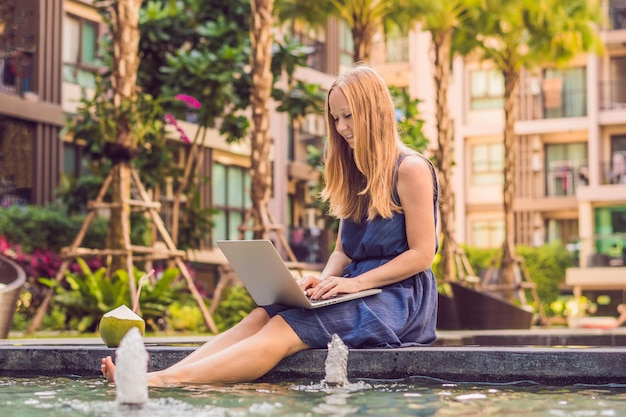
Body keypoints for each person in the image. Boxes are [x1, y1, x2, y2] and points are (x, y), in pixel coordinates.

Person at [101, 64, 440, 386]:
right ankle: (165, 373)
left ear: (374, 111)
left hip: (400, 298)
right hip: (356, 288)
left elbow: (423, 254)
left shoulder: (410, 169)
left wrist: (355, 284)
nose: (340, 128)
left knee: (282, 328)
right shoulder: (354, 172)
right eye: (335, 118)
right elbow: (342, 249)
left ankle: (158, 381)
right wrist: (321, 284)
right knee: (261, 316)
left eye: (348, 116)